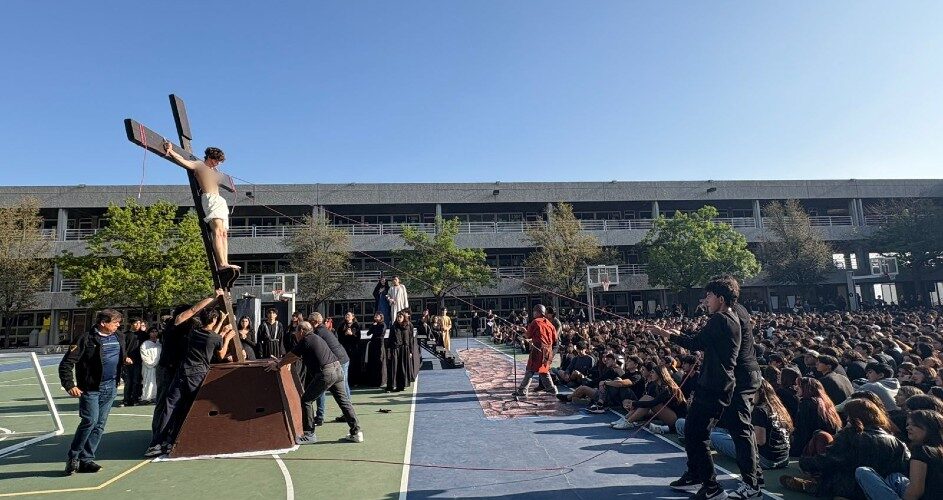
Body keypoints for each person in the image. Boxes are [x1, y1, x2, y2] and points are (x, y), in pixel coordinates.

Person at [650, 276, 742, 500]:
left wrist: (665, 334)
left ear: (720, 298)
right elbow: (701, 340)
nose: (705, 300)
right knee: (691, 429)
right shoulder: (729, 318)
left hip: (715, 386)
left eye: (709, 296)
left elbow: (694, 342)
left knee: (697, 434)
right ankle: (694, 474)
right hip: (713, 384)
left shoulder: (720, 319)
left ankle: (712, 487)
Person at [145, 291, 235, 457]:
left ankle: (167, 439)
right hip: (172, 369)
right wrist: (214, 298)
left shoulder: (193, 331)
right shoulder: (176, 324)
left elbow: (209, 332)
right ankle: (159, 439)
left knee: (174, 405)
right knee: (168, 405)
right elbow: (196, 314)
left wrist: (219, 318)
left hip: (180, 370)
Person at [781, 399, 910, 498]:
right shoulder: (896, 442)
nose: (847, 419)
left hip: (849, 487)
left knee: (822, 440)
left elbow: (830, 460)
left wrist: (804, 463)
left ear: (854, 417)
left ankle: (813, 485)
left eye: (848, 416)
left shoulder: (851, 436)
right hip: (881, 487)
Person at [266, 321, 363, 444]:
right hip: (337, 370)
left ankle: (309, 434)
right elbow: (294, 356)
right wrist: (282, 361)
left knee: (306, 400)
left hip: (327, 373)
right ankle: (356, 432)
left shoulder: (306, 339)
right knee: (344, 402)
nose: (295, 334)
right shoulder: (314, 338)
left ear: (301, 331)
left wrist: (279, 364)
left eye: (296, 331)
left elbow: (292, 354)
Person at [58, 309, 124, 475]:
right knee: (90, 421)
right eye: (115, 322)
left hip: (110, 387)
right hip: (91, 388)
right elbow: (66, 364)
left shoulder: (119, 337)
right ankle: (73, 457)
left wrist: (126, 360)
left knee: (100, 424)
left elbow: (122, 354)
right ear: (103, 323)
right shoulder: (85, 339)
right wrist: (69, 385)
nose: (118, 325)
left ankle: (86, 460)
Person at [161, 142, 237, 271]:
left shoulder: (215, 172)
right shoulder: (199, 165)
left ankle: (226, 262)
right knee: (217, 231)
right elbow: (183, 162)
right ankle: (222, 264)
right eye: (215, 160)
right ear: (209, 157)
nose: (217, 163)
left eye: (219, 161)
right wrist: (171, 151)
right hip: (210, 198)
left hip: (220, 201)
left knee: (224, 233)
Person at [856, 409, 943, 500]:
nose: (908, 428)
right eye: (908, 424)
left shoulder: (921, 450)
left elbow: (916, 491)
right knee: (894, 477)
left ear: (929, 427)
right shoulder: (938, 451)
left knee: (862, 472)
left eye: (914, 425)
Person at [308, 312, 351, 425]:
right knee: (343, 387)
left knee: (321, 387)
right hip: (343, 358)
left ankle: (320, 416)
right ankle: (348, 414)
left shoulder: (318, 333)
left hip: (337, 361)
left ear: (314, 322)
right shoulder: (325, 330)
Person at [513, 304, 558, 398]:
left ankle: (522, 390)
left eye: (534, 311)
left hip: (538, 349)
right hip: (548, 350)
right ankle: (551, 389)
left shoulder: (535, 322)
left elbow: (528, 335)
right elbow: (555, 340)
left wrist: (523, 330)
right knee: (544, 370)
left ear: (538, 312)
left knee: (530, 369)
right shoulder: (550, 324)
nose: (533, 313)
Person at [386, 311, 412, 392]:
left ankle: (402, 385)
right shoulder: (394, 326)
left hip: (405, 350)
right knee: (394, 367)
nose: (399, 318)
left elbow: (410, 339)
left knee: (403, 367)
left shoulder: (409, 325)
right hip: (395, 349)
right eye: (398, 317)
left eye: (400, 317)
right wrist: (389, 350)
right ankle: (392, 385)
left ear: (404, 317)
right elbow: (390, 338)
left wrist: (410, 351)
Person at [118, 318, 142, 407]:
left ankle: (135, 399)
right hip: (127, 362)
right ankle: (126, 400)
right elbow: (122, 348)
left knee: (136, 381)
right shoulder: (125, 335)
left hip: (138, 362)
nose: (138, 325)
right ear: (131, 324)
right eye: (136, 323)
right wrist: (125, 357)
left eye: (139, 323)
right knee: (128, 382)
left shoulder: (142, 335)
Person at [337, 312, 361, 385]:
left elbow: (358, 337)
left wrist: (352, 334)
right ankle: (345, 381)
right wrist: (345, 334)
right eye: (346, 315)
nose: (347, 316)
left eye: (348, 315)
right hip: (345, 348)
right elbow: (339, 337)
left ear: (352, 317)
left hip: (353, 348)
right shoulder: (342, 325)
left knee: (353, 365)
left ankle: (354, 381)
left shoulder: (356, 325)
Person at [139, 327, 162, 404]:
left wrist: (158, 363)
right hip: (148, 367)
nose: (154, 333)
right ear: (149, 333)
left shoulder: (160, 343)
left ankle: (155, 397)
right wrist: (152, 364)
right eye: (152, 331)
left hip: (158, 366)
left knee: (156, 382)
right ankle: (146, 398)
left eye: (156, 331)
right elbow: (144, 355)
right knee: (148, 382)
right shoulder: (145, 344)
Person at [364, 313, 387, 387]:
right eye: (375, 316)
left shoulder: (383, 324)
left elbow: (380, 333)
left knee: (379, 362)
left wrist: (374, 328)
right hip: (373, 345)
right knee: (373, 362)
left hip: (379, 345)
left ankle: (380, 381)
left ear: (381, 317)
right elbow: (368, 333)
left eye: (377, 316)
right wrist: (372, 326)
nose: (375, 317)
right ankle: (373, 381)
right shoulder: (374, 325)